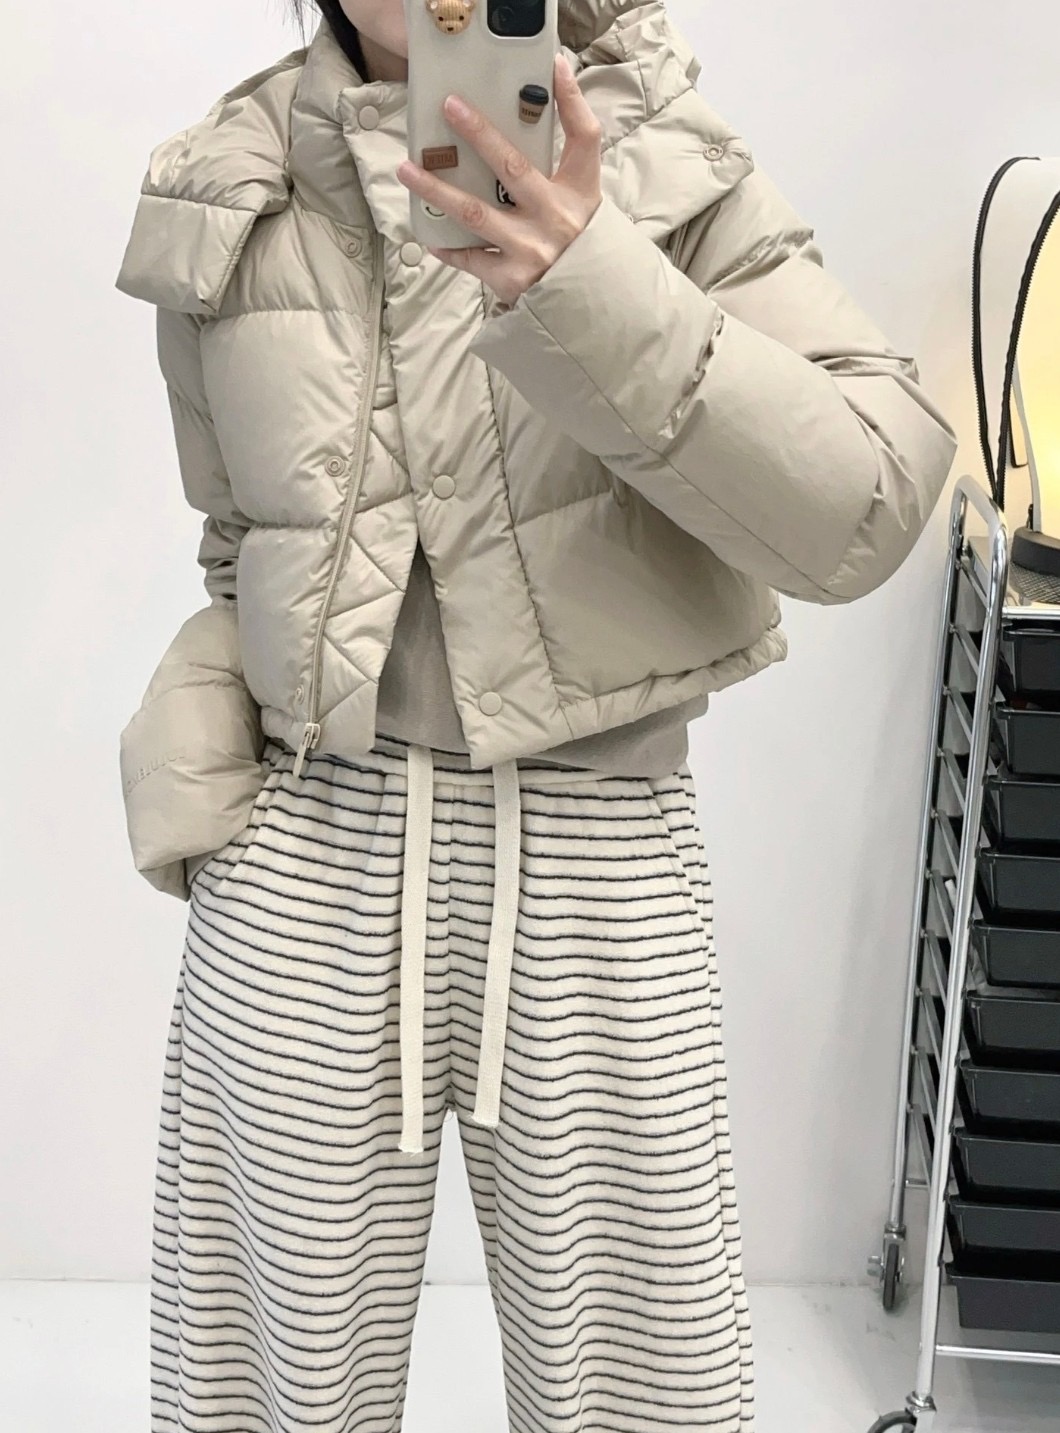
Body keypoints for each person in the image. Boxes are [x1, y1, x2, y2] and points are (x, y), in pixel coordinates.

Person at [113, 1, 958, 1429]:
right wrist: (212, 752)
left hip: (594, 853)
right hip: (305, 855)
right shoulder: (230, 176)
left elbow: (867, 503)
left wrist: (591, 278)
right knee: (258, 1390)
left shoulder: (652, 146)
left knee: (646, 1391)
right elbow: (244, 533)